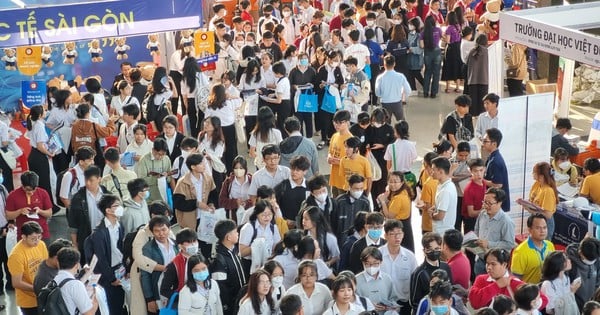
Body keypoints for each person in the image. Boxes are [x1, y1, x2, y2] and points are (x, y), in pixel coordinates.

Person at [83, 194, 126, 315]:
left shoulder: (119, 225)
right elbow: (100, 258)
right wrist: (111, 278)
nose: (120, 208)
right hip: (107, 274)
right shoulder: (99, 233)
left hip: (119, 269)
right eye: (116, 206)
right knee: (110, 306)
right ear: (108, 210)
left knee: (120, 303)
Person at [67, 166, 108, 259]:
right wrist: (75, 244)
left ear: (99, 179)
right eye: (86, 180)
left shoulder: (107, 195)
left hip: (105, 239)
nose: (88, 183)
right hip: (86, 240)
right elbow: (73, 224)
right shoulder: (78, 198)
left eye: (91, 180)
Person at [473, 187, 516, 275]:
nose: (485, 206)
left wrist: (489, 244)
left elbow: (510, 244)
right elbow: (476, 231)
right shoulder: (482, 214)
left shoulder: (506, 221)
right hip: (480, 260)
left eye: (489, 203)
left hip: (495, 265)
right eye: (484, 202)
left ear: (499, 203)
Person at [7, 221, 47, 315]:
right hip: (29, 301)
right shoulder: (16, 255)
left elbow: (46, 265)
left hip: (43, 295)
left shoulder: (41, 244)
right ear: (23, 237)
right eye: (33, 239)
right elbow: (17, 283)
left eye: (39, 237)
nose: (37, 241)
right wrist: (38, 289)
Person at [380, 220, 418, 315]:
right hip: (383, 303)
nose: (397, 237)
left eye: (399, 233)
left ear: (403, 234)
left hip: (404, 303)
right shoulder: (378, 255)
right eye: (392, 234)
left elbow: (415, 281)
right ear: (385, 236)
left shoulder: (410, 257)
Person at [210, 219, 247, 315]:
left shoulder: (234, 250)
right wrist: (227, 305)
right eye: (235, 232)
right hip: (231, 305)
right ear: (228, 237)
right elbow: (221, 287)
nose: (238, 233)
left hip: (240, 298)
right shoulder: (219, 259)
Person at [173, 153, 215, 232]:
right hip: (189, 220)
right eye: (200, 163)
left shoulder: (208, 179)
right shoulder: (182, 182)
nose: (204, 165)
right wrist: (196, 203)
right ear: (193, 167)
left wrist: (211, 204)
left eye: (203, 163)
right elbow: (178, 203)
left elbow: (213, 195)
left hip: (205, 217)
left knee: (206, 243)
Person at [410, 232, 452, 309]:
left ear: (441, 248)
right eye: (430, 250)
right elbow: (414, 302)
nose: (434, 252)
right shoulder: (419, 273)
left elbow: (451, 290)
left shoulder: (446, 267)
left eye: (437, 249)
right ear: (424, 251)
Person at [205, 83, 242, 173]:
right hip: (229, 129)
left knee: (219, 150)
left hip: (216, 130)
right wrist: (231, 96)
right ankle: (231, 170)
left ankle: (221, 169)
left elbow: (206, 118)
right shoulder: (229, 103)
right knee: (231, 149)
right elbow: (240, 100)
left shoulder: (210, 106)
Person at [5, 172, 53, 241]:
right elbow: (8, 216)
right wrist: (20, 211)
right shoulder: (13, 195)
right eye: (28, 189)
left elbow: (49, 213)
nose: (31, 192)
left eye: (34, 189)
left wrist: (40, 211)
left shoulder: (43, 193)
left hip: (42, 234)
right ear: (22, 185)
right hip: (24, 236)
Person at [239, 200, 281, 275]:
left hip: (267, 264)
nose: (267, 217)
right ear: (257, 214)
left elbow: (276, 248)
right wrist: (257, 245)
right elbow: (242, 252)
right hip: (249, 264)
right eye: (263, 215)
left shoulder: (273, 227)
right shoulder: (249, 227)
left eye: (270, 214)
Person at [511, 213, 555, 284]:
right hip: (530, 292)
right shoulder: (520, 251)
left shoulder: (550, 245)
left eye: (544, 227)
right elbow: (516, 280)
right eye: (538, 228)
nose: (542, 231)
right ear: (529, 230)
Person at [53, 247, 99, 315]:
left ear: (58, 263)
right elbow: (89, 313)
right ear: (77, 265)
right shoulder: (75, 285)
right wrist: (97, 299)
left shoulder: (54, 280)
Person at [519, 162, 558, 239]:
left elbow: (548, 215)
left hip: (544, 222)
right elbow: (532, 199)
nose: (532, 174)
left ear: (541, 176)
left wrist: (531, 211)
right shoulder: (537, 184)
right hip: (535, 219)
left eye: (534, 172)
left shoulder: (548, 191)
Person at [160, 228, 200, 304]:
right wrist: (182, 298)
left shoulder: (200, 258)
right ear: (180, 246)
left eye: (194, 241)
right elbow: (164, 290)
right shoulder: (174, 265)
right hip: (184, 303)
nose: (193, 245)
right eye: (189, 242)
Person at [378, 172, 415, 252]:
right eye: (390, 181)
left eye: (395, 182)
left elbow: (389, 216)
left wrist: (383, 201)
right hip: (405, 226)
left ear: (402, 182)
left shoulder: (399, 198)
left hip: (399, 228)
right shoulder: (404, 191)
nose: (392, 184)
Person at [25, 106, 55, 202]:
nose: (46, 112)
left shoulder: (33, 123)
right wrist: (50, 153)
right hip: (39, 157)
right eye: (44, 111)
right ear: (39, 115)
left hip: (33, 156)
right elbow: (40, 146)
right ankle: (48, 205)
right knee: (44, 182)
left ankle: (38, 202)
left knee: (37, 182)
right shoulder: (39, 126)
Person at [315, 51, 345, 150]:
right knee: (324, 119)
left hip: (334, 97)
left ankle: (332, 138)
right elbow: (316, 84)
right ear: (329, 59)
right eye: (335, 60)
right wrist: (322, 85)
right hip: (324, 97)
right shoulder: (322, 69)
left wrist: (338, 85)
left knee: (334, 118)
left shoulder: (337, 69)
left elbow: (341, 82)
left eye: (338, 60)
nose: (336, 62)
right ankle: (324, 138)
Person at [355, 246, 398, 313]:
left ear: (381, 262)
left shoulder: (387, 278)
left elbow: (394, 300)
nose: (371, 266)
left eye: (375, 263)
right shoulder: (356, 280)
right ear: (363, 263)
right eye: (368, 264)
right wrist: (367, 306)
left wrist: (387, 307)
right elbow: (351, 304)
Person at [331, 174, 370, 247]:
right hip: (341, 242)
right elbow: (332, 223)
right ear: (349, 187)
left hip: (359, 241)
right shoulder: (340, 201)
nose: (359, 191)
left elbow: (368, 222)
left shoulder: (365, 202)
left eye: (361, 188)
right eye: (356, 189)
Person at [135, 138, 175, 202]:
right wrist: (156, 178)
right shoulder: (144, 160)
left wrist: (166, 176)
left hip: (164, 195)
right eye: (158, 154)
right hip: (150, 197)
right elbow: (141, 180)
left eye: (163, 154)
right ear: (153, 150)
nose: (161, 157)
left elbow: (169, 178)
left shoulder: (166, 159)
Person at [566, 237, 600, 310]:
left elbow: (598, 282)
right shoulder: (569, 264)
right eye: (589, 260)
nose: (591, 262)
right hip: (575, 307)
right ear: (580, 252)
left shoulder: (596, 256)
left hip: (592, 306)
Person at [275, 156, 311, 226]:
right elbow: (274, 205)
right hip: (286, 225)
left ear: (305, 171)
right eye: (292, 169)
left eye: (297, 170)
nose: (294, 172)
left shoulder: (310, 186)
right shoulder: (282, 186)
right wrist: (284, 220)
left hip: (304, 226)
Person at [375, 55, 411, 120]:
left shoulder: (380, 78)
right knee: (402, 122)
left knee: (386, 124)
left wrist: (382, 95)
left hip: (385, 103)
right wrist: (403, 98)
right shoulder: (400, 76)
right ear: (394, 64)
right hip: (397, 102)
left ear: (384, 64)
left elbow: (377, 92)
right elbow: (408, 90)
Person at [219, 156, 254, 222]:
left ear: (245, 169)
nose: (238, 171)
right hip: (233, 217)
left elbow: (257, 199)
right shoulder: (228, 182)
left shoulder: (252, 181)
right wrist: (235, 202)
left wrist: (247, 203)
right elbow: (222, 201)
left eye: (241, 168)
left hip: (250, 215)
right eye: (236, 168)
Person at [483, 128, 510, 212]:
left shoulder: (496, 161)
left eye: (485, 141)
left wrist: (481, 180)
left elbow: (498, 185)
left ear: (494, 144)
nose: (482, 144)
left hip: (497, 204)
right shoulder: (492, 157)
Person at [428, 157, 457, 235]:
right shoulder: (446, 185)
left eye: (433, 169)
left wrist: (431, 215)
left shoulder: (446, 190)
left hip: (442, 232)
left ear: (440, 171)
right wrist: (435, 207)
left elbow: (440, 216)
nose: (431, 172)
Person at [328, 110, 354, 196]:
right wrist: (329, 158)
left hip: (345, 181)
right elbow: (330, 152)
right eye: (335, 122)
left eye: (340, 123)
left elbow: (354, 162)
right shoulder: (334, 136)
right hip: (334, 178)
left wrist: (339, 162)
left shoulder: (351, 140)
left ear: (347, 122)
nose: (336, 125)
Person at [147, 67, 176, 133]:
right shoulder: (164, 92)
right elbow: (175, 95)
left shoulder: (154, 89)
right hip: (163, 116)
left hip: (157, 118)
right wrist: (172, 82)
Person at [466, 34, 489, 116]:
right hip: (484, 79)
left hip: (472, 80)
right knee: (482, 103)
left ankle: (473, 118)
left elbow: (466, 63)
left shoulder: (472, 51)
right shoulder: (488, 52)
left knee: (473, 103)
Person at [420, 16, 442, 98]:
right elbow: (441, 38)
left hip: (427, 53)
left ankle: (425, 92)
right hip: (437, 52)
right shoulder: (438, 30)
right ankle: (433, 93)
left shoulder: (423, 32)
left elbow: (422, 45)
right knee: (436, 73)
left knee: (427, 72)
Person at [417, 152, 439, 234]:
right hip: (441, 224)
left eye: (426, 166)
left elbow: (428, 207)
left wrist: (421, 206)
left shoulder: (428, 184)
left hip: (429, 224)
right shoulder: (445, 181)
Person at [475, 93, 499, 161]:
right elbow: (477, 131)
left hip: (497, 148)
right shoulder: (481, 116)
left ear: (494, 104)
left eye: (487, 103)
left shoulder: (501, 118)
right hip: (485, 148)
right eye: (484, 103)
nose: (485, 106)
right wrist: (481, 138)